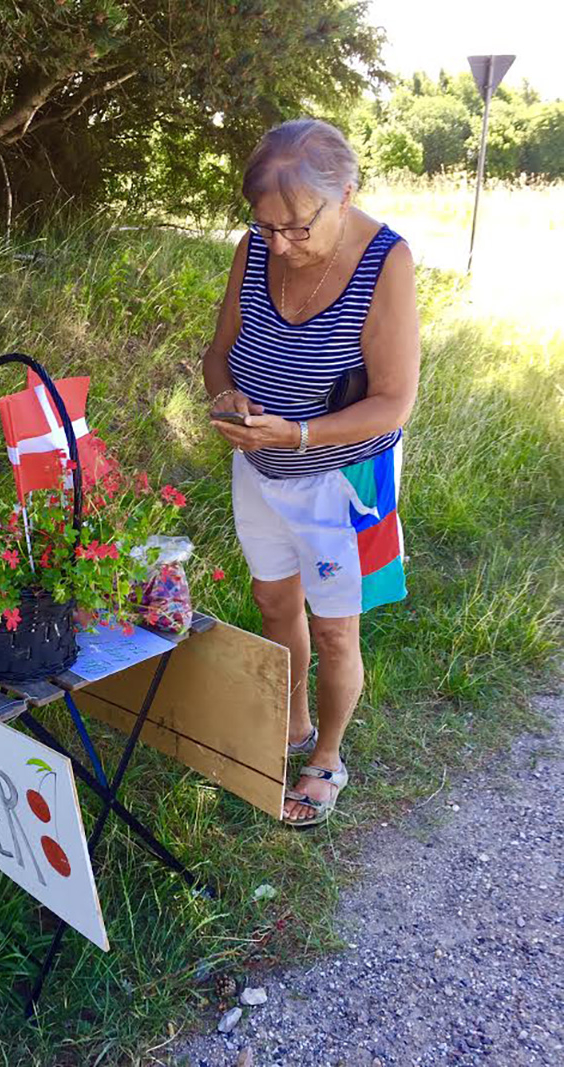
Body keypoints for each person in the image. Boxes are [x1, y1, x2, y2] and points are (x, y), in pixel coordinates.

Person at [203, 118, 420, 827]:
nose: (279, 245)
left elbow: (393, 404)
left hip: (340, 482)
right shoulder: (255, 247)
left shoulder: (386, 261)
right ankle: (292, 722)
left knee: (335, 631)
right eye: (264, 228)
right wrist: (225, 396)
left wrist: (298, 432)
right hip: (258, 466)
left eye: (297, 228)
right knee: (273, 603)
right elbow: (220, 350)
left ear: (346, 195)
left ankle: (327, 756)